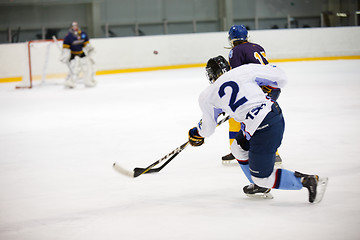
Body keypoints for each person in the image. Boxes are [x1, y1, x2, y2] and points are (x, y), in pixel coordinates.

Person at [188, 56, 328, 203]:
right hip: (272, 115)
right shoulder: (243, 71)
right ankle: (259, 186)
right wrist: (271, 86)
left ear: (211, 75)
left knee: (263, 178)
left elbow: (207, 129)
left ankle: (309, 181)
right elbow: (281, 76)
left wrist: (196, 133)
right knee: (237, 148)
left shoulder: (207, 95)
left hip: (263, 129)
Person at [222, 25, 282, 166]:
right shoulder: (257, 46)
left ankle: (273, 153)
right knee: (255, 119)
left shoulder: (235, 51)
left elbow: (237, 76)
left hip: (258, 90)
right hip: (271, 87)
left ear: (231, 38)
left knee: (254, 120)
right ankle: (237, 150)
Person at [59, 21, 96, 88]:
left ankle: (88, 81)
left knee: (87, 68)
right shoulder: (68, 37)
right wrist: (65, 56)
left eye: (76, 26)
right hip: (73, 55)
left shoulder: (83, 34)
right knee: (73, 70)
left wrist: (89, 48)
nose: (75, 27)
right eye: (73, 26)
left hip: (81, 54)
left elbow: (86, 44)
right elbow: (66, 48)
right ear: (71, 27)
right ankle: (69, 82)